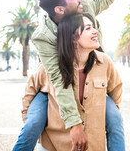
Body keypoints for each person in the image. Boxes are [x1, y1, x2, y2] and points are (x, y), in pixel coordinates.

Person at [13, 0, 125, 151]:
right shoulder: (44, 36)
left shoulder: (85, 6)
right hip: (54, 87)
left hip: (92, 76)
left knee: (115, 120)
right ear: (60, 9)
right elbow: (59, 79)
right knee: (32, 125)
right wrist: (74, 124)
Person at [22, 13, 122, 151]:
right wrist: (35, 129)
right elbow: (29, 94)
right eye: (88, 28)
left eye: (93, 27)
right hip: (55, 146)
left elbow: (115, 94)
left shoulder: (105, 62)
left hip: (93, 145)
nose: (95, 31)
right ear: (73, 38)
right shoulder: (50, 67)